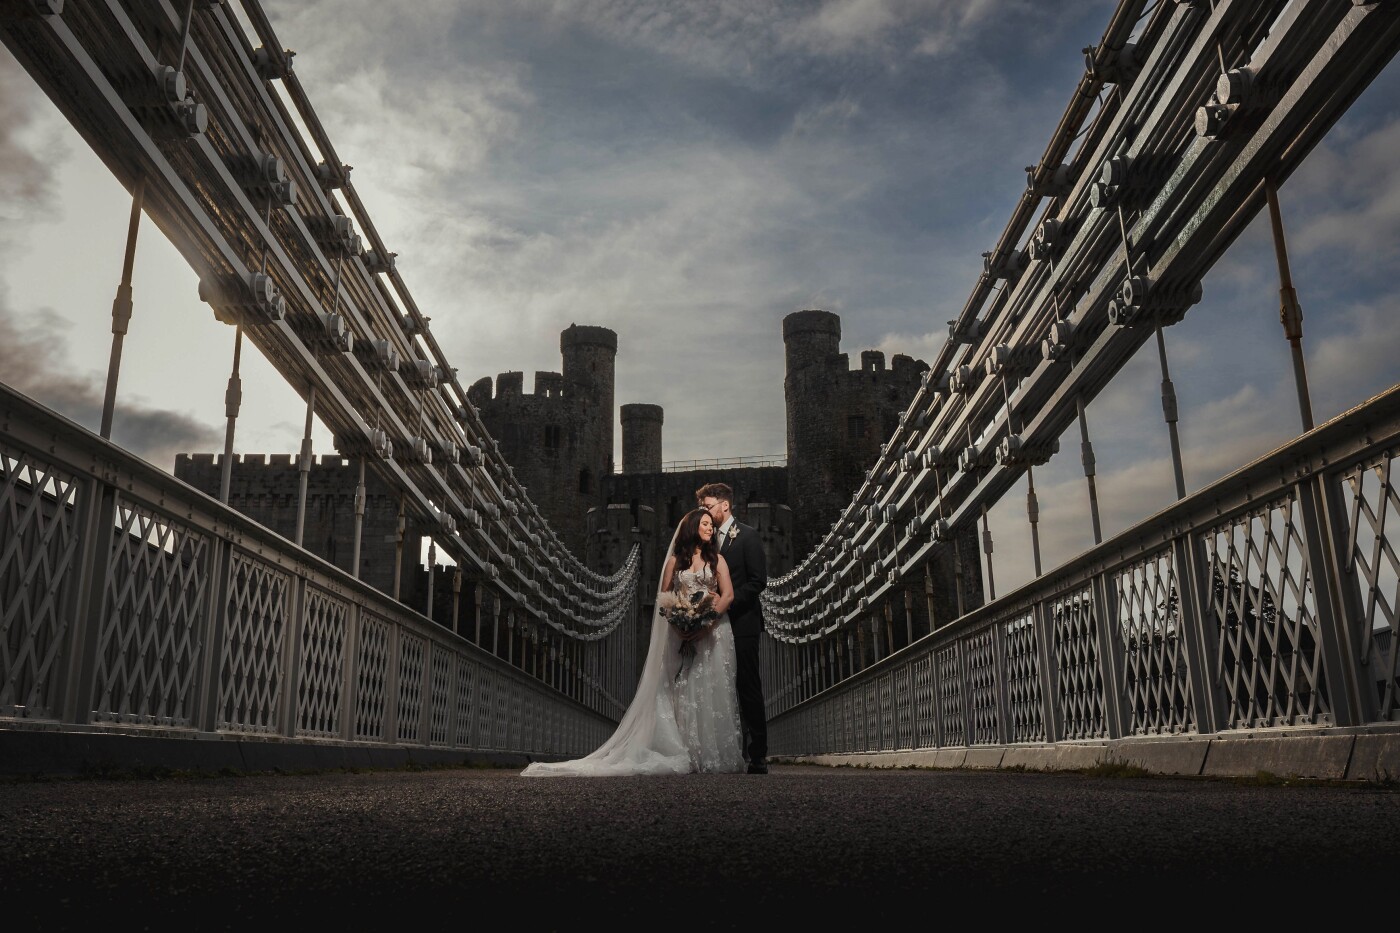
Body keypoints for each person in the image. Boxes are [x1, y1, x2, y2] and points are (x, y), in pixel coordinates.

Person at [521, 508, 745, 776]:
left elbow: (728, 595)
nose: (710, 528)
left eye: (711, 525)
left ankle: (711, 753)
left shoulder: (718, 560)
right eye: (705, 523)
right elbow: (664, 599)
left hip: (713, 632)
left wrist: (706, 623)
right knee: (683, 690)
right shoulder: (675, 562)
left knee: (710, 687)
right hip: (682, 633)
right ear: (693, 527)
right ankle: (688, 750)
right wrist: (680, 625)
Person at [696, 482, 769, 774]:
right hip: (712, 627)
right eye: (702, 507)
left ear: (724, 505)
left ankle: (758, 755)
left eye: (708, 506)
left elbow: (758, 581)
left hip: (743, 623)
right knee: (714, 687)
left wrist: (725, 602)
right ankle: (719, 753)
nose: (705, 512)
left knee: (747, 687)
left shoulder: (748, 536)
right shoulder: (704, 541)